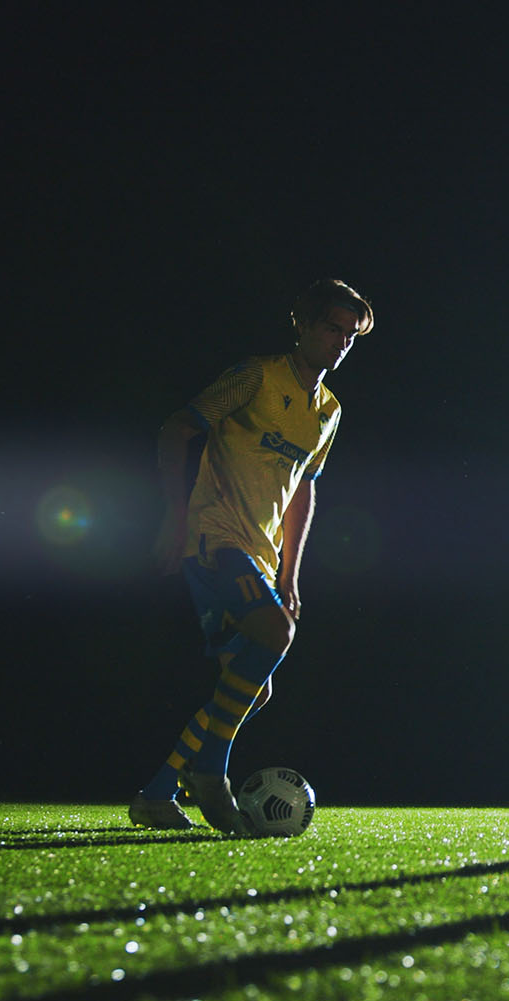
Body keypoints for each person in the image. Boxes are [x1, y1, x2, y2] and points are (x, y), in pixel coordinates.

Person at [129, 279, 372, 832]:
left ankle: (157, 794)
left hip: (259, 555)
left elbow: (304, 488)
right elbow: (177, 428)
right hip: (214, 536)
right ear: (303, 325)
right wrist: (174, 514)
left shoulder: (329, 410)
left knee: (252, 691)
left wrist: (289, 574)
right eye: (332, 328)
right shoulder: (256, 376)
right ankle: (211, 776)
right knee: (277, 633)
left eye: (350, 335)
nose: (340, 342)